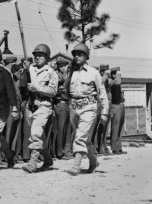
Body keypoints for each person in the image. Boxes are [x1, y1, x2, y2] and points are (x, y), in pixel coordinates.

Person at [64, 43, 109, 176]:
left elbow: (102, 93)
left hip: (88, 107)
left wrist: (105, 113)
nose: (76, 57)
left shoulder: (93, 72)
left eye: (80, 54)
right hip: (73, 107)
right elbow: (68, 93)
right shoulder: (70, 71)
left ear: (86, 56)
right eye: (75, 54)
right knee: (85, 139)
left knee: (80, 136)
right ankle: (93, 161)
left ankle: (76, 165)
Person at [20, 44, 58, 173]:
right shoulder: (30, 69)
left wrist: (38, 89)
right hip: (30, 105)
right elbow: (22, 85)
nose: (37, 58)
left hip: (44, 104)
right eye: (36, 55)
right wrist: (25, 71)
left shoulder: (51, 73)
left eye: (41, 56)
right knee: (39, 136)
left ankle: (33, 162)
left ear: (47, 57)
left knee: (35, 133)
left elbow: (53, 91)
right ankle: (47, 160)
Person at [51, 57, 71, 159]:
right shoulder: (56, 75)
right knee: (60, 129)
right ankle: (59, 152)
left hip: (67, 103)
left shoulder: (67, 74)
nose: (64, 68)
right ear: (59, 66)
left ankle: (66, 151)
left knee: (67, 129)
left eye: (65, 66)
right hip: (60, 103)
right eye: (62, 66)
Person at [108, 67, 125, 154]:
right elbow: (115, 97)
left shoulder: (118, 84)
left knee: (120, 128)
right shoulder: (114, 84)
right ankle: (114, 148)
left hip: (121, 105)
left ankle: (119, 147)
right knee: (115, 127)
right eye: (119, 75)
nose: (120, 77)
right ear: (114, 75)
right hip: (116, 106)